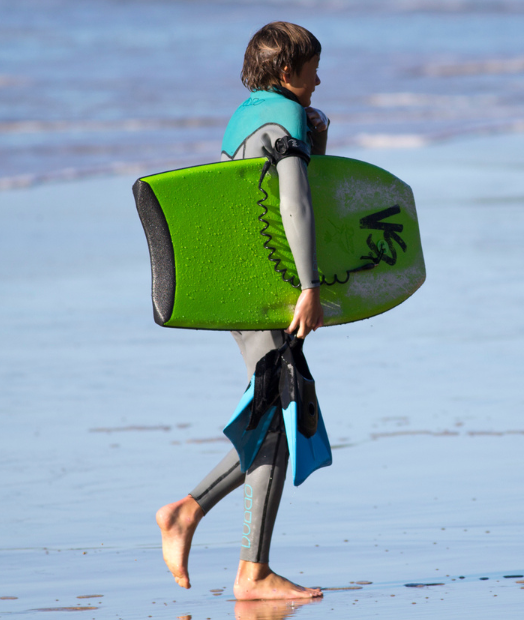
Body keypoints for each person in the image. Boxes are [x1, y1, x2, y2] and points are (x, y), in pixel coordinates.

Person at [155, 21, 329, 601]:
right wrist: (310, 285)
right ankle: (235, 558)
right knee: (277, 416)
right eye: (311, 71)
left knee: (275, 414)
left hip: (235, 280)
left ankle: (232, 551)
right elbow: (294, 202)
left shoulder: (245, 115)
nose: (319, 80)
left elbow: (249, 196)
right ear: (287, 74)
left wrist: (317, 141)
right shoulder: (286, 116)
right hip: (265, 287)